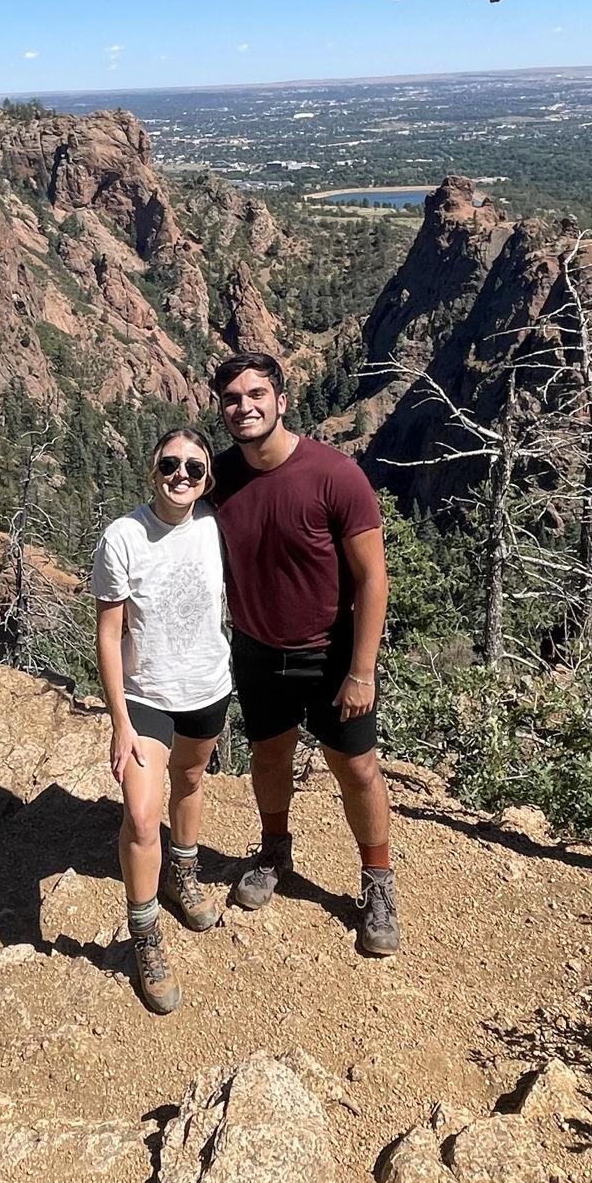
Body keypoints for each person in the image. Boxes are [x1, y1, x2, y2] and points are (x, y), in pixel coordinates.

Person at [209, 351, 399, 956]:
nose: (246, 407)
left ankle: (377, 882)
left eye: (256, 394)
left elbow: (373, 579)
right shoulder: (216, 479)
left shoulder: (335, 474)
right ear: (222, 408)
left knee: (359, 769)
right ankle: (273, 852)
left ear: (281, 400)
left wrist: (362, 671)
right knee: (270, 760)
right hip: (258, 651)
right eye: (233, 399)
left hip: (330, 654)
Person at [90, 427, 229, 1014]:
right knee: (143, 816)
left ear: (207, 480)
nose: (181, 475)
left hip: (207, 687)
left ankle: (183, 873)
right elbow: (108, 633)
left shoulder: (216, 526)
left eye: (194, 468)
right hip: (146, 696)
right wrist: (119, 720)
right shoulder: (124, 536)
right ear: (153, 468)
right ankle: (145, 936)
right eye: (170, 463)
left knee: (190, 785)